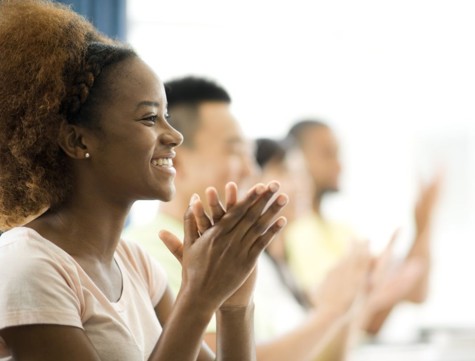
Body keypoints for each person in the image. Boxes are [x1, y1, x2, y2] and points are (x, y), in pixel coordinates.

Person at [0, 1, 287, 360]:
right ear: (77, 141)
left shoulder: (135, 264)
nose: (174, 136)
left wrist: (233, 304)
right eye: (150, 118)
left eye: (167, 116)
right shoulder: (26, 265)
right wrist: (198, 297)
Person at [126, 77, 370, 361]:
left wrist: (350, 303)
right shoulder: (149, 252)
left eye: (250, 154)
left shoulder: (239, 256)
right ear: (176, 161)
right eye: (234, 151)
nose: (250, 169)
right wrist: (329, 313)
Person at [283, 119, 442, 335]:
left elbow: (416, 292)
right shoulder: (294, 231)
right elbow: (350, 320)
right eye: (328, 154)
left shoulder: (340, 231)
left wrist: (424, 223)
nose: (339, 165)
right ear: (297, 159)